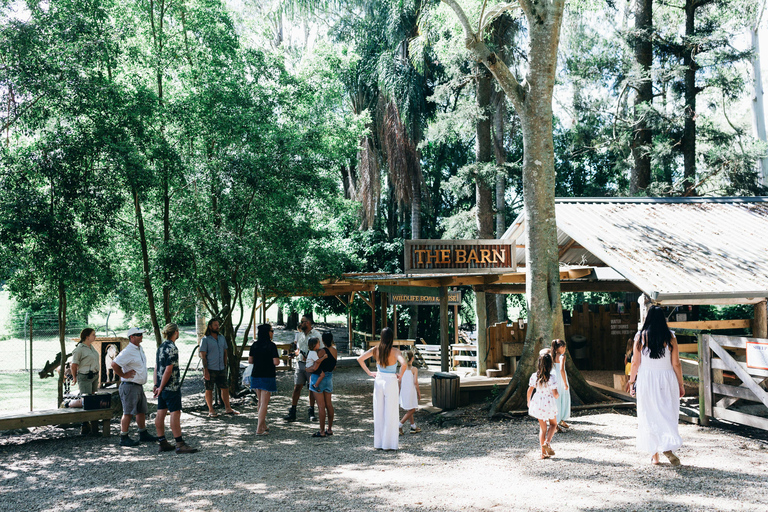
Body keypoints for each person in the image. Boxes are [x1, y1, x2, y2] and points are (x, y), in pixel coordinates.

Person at [627, 305, 684, 466]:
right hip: (667, 378)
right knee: (668, 412)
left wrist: (632, 382)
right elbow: (676, 363)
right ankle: (667, 446)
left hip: (647, 378)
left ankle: (655, 456)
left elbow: (635, 362)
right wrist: (680, 383)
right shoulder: (670, 336)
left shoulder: (640, 336)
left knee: (648, 413)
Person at [357, 327, 407, 450]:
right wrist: (400, 374)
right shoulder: (395, 351)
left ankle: (378, 443)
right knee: (391, 411)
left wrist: (369, 373)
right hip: (390, 380)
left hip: (379, 379)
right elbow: (404, 363)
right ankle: (389, 444)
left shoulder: (375, 350)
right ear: (391, 338)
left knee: (379, 411)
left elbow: (360, 359)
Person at [154, 323, 198, 454]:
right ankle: (179, 443)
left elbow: (157, 367)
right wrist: (161, 386)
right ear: (176, 332)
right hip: (171, 387)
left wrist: (156, 385)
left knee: (160, 412)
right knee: (175, 413)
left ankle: (162, 441)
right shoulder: (172, 348)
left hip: (161, 387)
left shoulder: (161, 347)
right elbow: (169, 369)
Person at [111, 327, 159, 447]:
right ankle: (124, 436)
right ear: (131, 337)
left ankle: (143, 433)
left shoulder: (139, 348)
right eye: (138, 335)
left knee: (141, 411)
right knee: (128, 412)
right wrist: (123, 375)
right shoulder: (128, 351)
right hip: (130, 385)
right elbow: (114, 364)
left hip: (138, 385)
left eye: (141, 334)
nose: (141, 336)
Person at [284, 315, 321, 422]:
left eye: (302, 322)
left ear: (308, 323)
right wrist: (294, 354)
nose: (300, 323)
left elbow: (321, 349)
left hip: (311, 364)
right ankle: (293, 411)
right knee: (297, 387)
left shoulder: (316, 334)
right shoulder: (299, 335)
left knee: (311, 388)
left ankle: (311, 411)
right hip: (300, 364)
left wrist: (312, 357)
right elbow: (299, 349)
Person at [200, 318, 238, 417]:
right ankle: (211, 410)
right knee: (209, 389)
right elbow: (203, 355)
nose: (218, 327)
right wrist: (205, 370)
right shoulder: (205, 339)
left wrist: (225, 365)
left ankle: (228, 408)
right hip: (210, 368)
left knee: (225, 388)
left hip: (221, 368)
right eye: (215, 325)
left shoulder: (222, 338)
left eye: (218, 325)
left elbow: (225, 352)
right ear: (210, 326)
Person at [248, 323, 280, 436]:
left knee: (260, 402)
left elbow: (250, 361)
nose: (272, 333)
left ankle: (263, 425)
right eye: (272, 331)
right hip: (267, 375)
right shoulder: (271, 346)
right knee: (264, 403)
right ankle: (259, 429)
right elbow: (276, 362)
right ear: (268, 332)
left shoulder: (254, 345)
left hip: (255, 374)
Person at [527, 351, 560, 459]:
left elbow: (530, 390)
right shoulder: (552, 377)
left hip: (537, 403)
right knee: (554, 424)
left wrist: (528, 402)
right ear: (550, 364)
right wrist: (558, 395)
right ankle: (547, 442)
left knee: (543, 428)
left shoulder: (534, 376)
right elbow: (555, 395)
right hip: (548, 403)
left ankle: (543, 453)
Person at [306, 334, 337, 437]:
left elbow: (315, 366)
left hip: (319, 377)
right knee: (329, 404)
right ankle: (330, 429)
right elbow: (334, 366)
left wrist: (307, 370)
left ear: (322, 340)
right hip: (329, 378)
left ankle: (322, 431)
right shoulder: (335, 351)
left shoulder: (320, 352)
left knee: (321, 406)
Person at [71, 328, 100, 436]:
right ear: (87, 337)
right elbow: (74, 365)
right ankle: (85, 425)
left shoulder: (91, 347)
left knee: (94, 399)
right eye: (93, 335)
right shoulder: (79, 349)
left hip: (94, 376)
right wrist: (74, 377)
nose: (95, 336)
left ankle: (94, 426)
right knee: (87, 401)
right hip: (84, 376)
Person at [398, 351, 421, 435]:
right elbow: (415, 382)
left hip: (404, 390)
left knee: (410, 408)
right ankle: (399, 425)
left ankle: (413, 426)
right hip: (410, 391)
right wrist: (419, 392)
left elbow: (399, 381)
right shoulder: (414, 369)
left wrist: (399, 390)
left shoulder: (401, 368)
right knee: (412, 409)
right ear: (412, 358)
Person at [551, 339, 571, 432]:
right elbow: (562, 370)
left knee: (555, 399)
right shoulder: (562, 357)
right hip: (560, 378)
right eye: (564, 347)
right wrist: (565, 383)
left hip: (553, 377)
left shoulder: (551, 355)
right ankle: (558, 420)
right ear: (561, 347)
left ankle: (557, 420)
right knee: (562, 398)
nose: (565, 349)